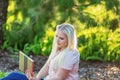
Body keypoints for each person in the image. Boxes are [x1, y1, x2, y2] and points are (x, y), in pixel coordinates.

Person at [0, 23, 80, 80]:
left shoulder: (71, 53)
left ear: (69, 40)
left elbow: (59, 77)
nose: (57, 40)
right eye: (56, 36)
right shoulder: (58, 49)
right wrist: (37, 78)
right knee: (14, 75)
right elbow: (47, 66)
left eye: (61, 38)